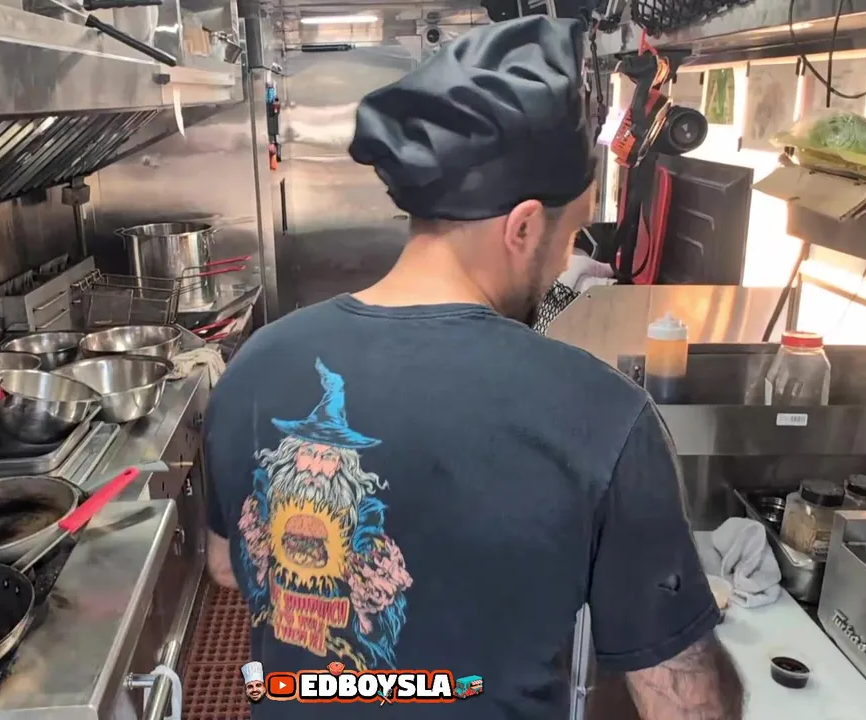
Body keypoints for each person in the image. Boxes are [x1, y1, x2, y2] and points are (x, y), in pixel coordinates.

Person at [202, 15, 744, 720]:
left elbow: (227, 565)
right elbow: (684, 705)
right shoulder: (604, 417)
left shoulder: (254, 367)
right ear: (523, 226)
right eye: (571, 233)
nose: (567, 258)